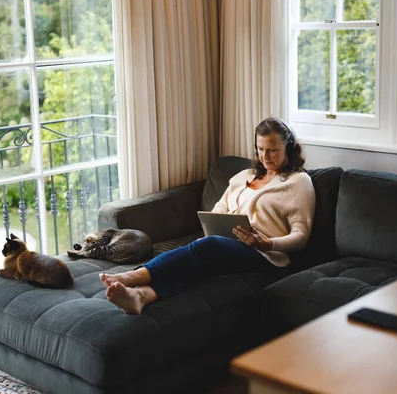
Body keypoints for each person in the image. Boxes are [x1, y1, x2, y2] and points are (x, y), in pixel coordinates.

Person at [100, 117, 316, 314]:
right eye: (260, 149)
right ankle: (141, 295)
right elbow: (219, 210)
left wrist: (267, 243)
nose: (265, 156)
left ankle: (133, 276)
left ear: (287, 148)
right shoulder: (244, 176)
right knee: (201, 262)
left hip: (266, 255)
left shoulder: (297, 182)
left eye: (272, 150)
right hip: (229, 244)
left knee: (207, 246)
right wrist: (215, 225)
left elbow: (301, 236)